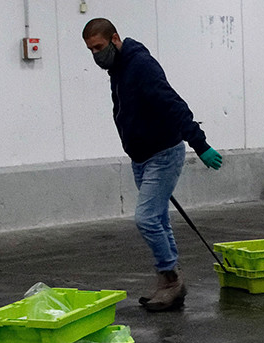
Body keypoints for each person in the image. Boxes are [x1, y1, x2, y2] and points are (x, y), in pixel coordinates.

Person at [82, 18, 223, 312]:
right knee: (157, 218)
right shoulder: (117, 69)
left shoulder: (140, 66)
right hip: (142, 158)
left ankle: (171, 279)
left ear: (115, 38)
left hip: (164, 154)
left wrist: (201, 145)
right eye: (90, 50)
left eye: (98, 47)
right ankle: (169, 282)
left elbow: (173, 105)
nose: (96, 55)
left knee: (146, 218)